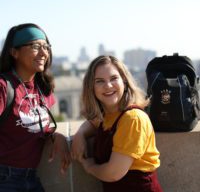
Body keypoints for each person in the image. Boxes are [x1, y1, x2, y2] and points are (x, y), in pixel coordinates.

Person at [71, 55, 163, 192]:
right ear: (92, 88)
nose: (108, 86)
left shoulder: (133, 119)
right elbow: (92, 123)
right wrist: (80, 134)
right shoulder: (110, 116)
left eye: (114, 78)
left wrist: (89, 167)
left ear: (124, 82)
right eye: (99, 81)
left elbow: (114, 173)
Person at [0, 23, 70, 192]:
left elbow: (36, 126)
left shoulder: (43, 88)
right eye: (35, 46)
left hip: (31, 178)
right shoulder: (4, 86)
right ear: (14, 52)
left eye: (46, 47)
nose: (43, 52)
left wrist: (55, 136)